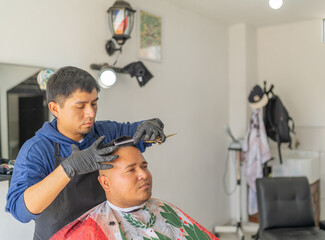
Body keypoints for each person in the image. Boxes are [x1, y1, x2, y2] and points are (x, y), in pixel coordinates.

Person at [5, 66, 166, 240]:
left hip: (104, 234)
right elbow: (20, 211)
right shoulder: (36, 150)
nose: (91, 113)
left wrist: (151, 125)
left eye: (94, 103)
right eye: (80, 106)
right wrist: (68, 168)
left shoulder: (105, 132)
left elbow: (137, 132)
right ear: (55, 108)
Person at [50, 137, 218, 240]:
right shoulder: (89, 231)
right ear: (105, 183)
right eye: (131, 170)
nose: (143, 175)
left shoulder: (166, 210)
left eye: (144, 167)